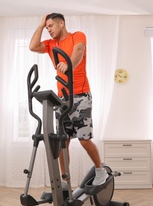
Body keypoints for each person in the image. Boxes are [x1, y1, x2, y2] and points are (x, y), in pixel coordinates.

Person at [29, 12, 108, 186]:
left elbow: (79, 51)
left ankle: (100, 170)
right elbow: (33, 47)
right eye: (47, 27)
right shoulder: (51, 45)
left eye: (51, 26)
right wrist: (41, 25)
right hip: (62, 99)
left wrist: (68, 65)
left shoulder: (77, 36)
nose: (49, 30)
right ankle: (65, 180)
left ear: (61, 24)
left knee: (84, 139)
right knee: (63, 141)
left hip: (81, 95)